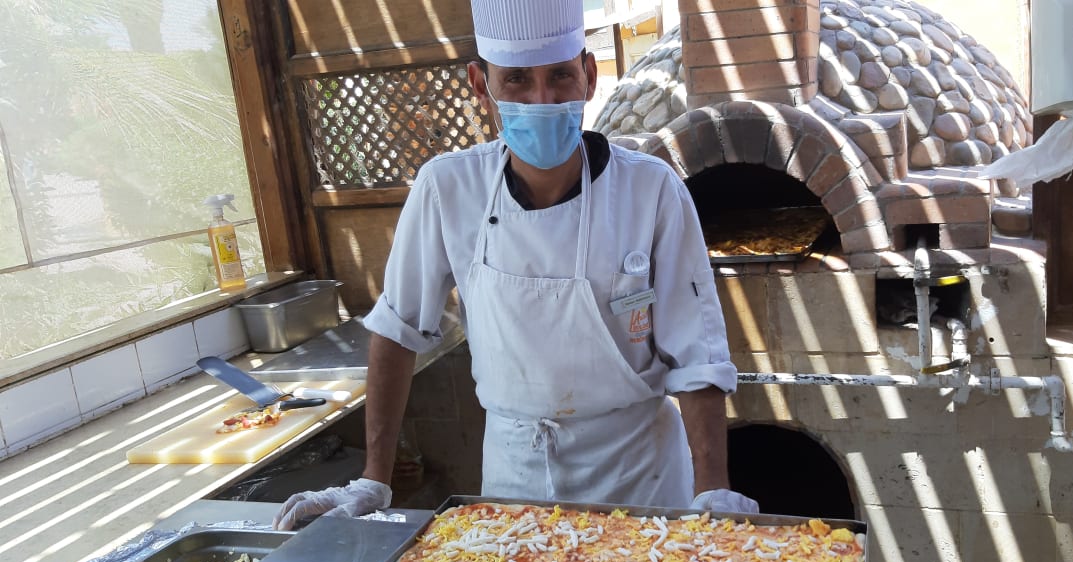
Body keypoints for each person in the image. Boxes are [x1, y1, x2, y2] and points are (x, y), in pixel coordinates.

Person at [273, 0, 756, 530]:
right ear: (481, 85)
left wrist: (713, 489)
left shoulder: (651, 190)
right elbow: (396, 329)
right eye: (518, 80)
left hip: (641, 475)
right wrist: (373, 479)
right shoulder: (448, 188)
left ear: (589, 75)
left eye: (560, 76)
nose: (542, 100)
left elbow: (697, 354)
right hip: (517, 473)